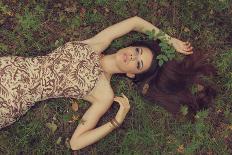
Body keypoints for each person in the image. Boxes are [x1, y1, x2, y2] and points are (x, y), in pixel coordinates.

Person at [0, 16, 215, 151]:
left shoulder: (104, 94)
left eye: (138, 64)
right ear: (132, 46)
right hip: (7, 67)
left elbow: (76, 143)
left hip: (10, 100)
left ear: (132, 75)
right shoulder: (96, 44)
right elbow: (135, 22)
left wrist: (116, 121)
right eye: (137, 51)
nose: (132, 57)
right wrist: (169, 40)